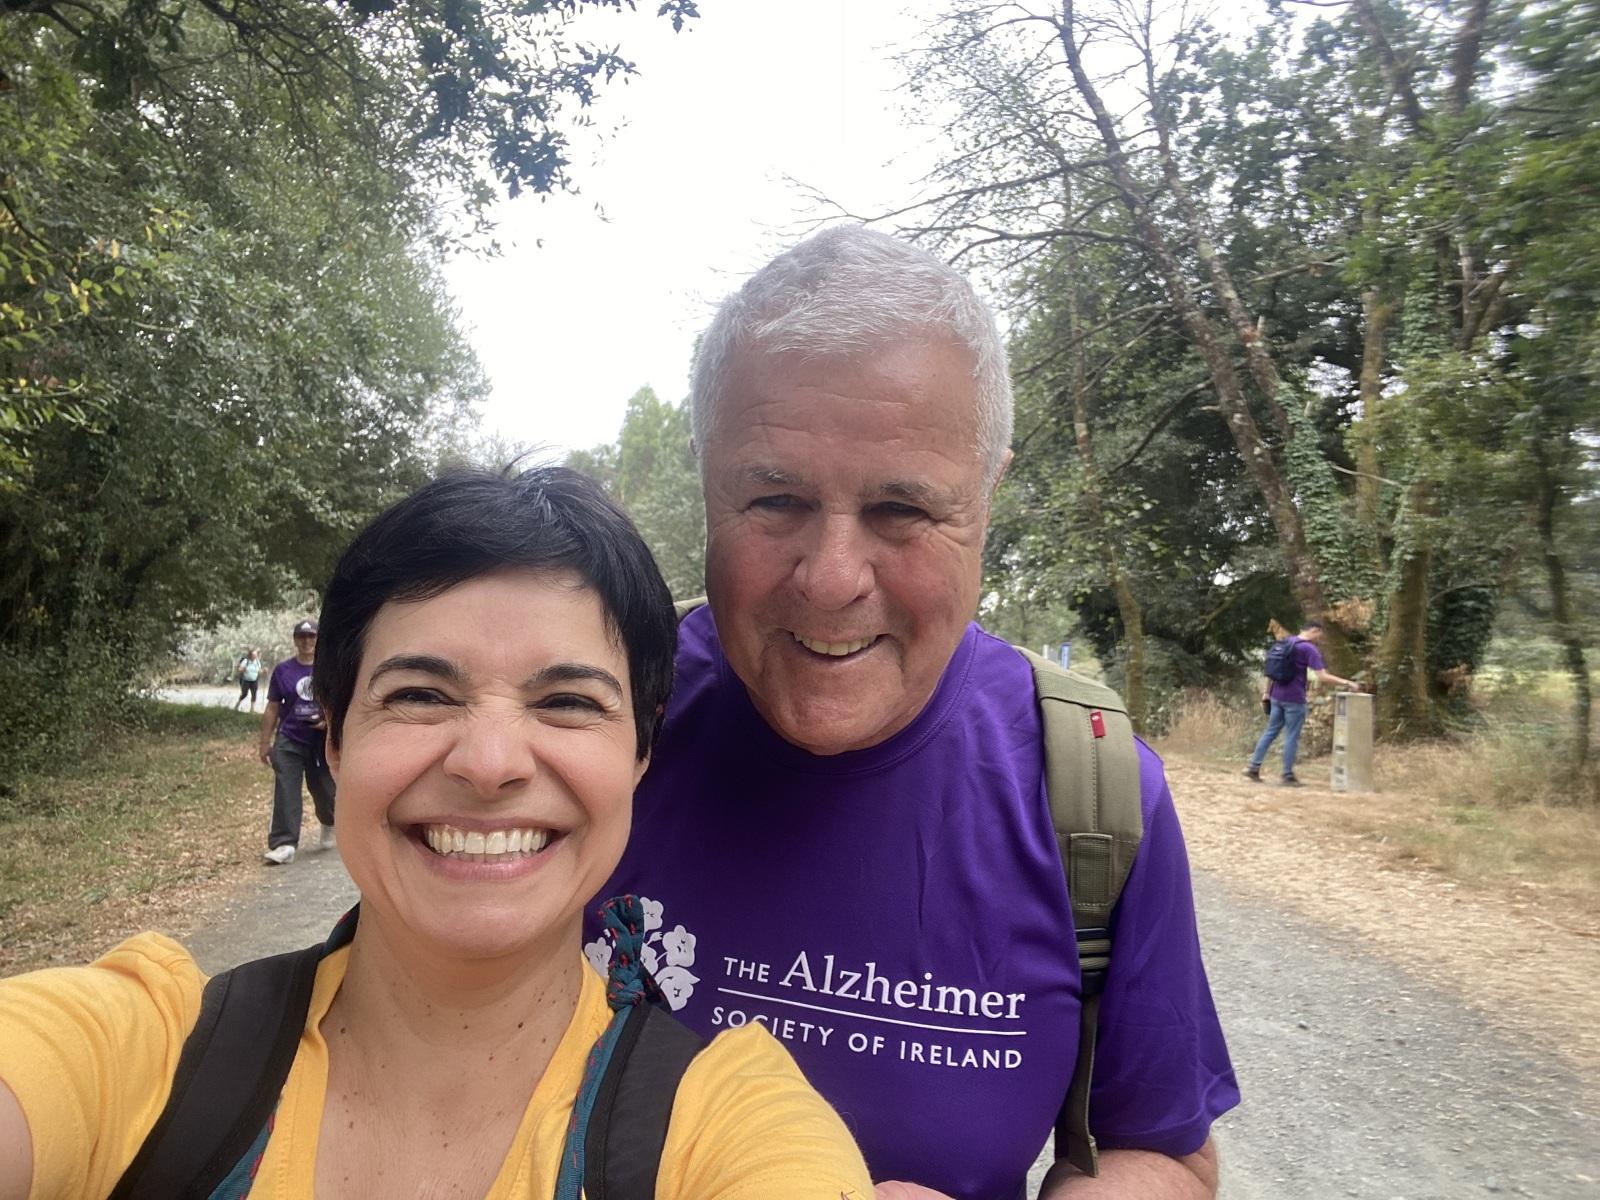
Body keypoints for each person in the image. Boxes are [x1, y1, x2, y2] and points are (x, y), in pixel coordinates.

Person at [0, 466, 873, 1200]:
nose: (489, 762)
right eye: (420, 695)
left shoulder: (726, 1124)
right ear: (335, 736)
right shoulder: (142, 1049)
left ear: (642, 751)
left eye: (567, 702)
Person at [589, 226, 1239, 1200]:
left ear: (989, 492)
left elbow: (1161, 1153)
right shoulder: (594, 727)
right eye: (773, 499)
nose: (832, 578)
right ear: (707, 473)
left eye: (903, 512)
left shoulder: (1090, 790)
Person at [1244, 620, 1363, 787]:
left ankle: (1253, 767)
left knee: (1270, 732)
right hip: (1294, 699)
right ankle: (1287, 775)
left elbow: (1272, 671)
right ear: (1314, 631)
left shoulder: (1285, 642)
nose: (1319, 639)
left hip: (1276, 696)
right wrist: (1347, 683)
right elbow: (1322, 677)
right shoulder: (1309, 649)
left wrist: (1266, 693)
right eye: (1319, 635)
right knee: (1291, 736)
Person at [259, 619, 336, 864]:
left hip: (321, 741)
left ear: (318, 640)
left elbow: (342, 703)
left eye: (311, 637)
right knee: (286, 789)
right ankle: (284, 843)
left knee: (324, 790)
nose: (306, 642)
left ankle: (329, 821)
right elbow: (272, 707)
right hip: (290, 738)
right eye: (302, 637)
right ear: (295, 640)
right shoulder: (283, 671)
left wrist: (328, 722)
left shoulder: (329, 669)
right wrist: (264, 742)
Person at [233, 647, 262, 712]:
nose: (255, 656)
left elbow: (259, 670)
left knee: (254, 694)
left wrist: (264, 671)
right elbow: (239, 669)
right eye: (253, 655)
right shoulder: (246, 661)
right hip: (246, 681)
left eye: (256, 655)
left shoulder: (257, 662)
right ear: (250, 655)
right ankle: (237, 705)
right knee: (244, 694)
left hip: (254, 680)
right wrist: (243, 669)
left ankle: (252, 709)